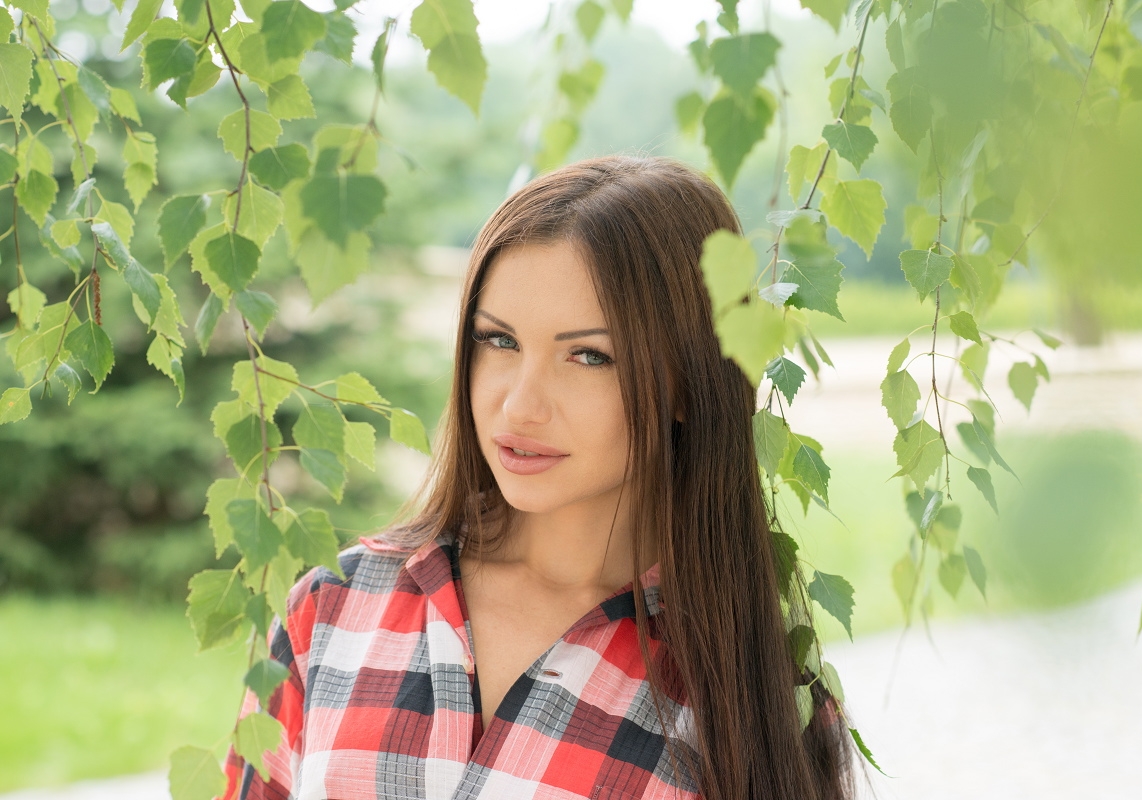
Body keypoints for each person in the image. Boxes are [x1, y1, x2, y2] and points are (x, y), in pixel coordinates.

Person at [222, 156, 856, 800]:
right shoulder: (333, 608)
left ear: (691, 382)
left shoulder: (755, 704)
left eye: (589, 355)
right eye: (499, 341)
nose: (520, 405)